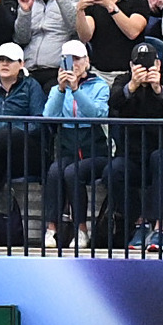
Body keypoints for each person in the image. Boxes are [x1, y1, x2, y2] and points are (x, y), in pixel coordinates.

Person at [106, 42, 163, 251]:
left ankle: (160, 229)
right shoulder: (123, 80)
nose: (145, 69)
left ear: (158, 63)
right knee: (113, 171)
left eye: (149, 64)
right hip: (133, 155)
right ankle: (139, 222)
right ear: (131, 66)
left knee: (159, 159)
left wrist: (158, 88)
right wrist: (132, 86)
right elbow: (113, 102)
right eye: (139, 65)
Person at [0, 42, 47, 243]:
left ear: (21, 64)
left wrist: (8, 133)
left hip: (25, 152)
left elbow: (38, 122)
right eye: (1, 60)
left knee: (2, 137)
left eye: (9, 60)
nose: (4, 64)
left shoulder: (32, 86)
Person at [41, 40, 112, 248]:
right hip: (68, 146)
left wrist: (76, 90)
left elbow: (96, 114)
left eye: (78, 59)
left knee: (73, 172)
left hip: (96, 150)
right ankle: (51, 228)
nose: (74, 64)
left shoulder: (99, 86)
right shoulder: (57, 89)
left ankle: (81, 229)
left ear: (87, 61)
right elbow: (48, 116)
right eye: (68, 60)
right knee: (55, 171)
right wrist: (62, 90)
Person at [77, 0, 152, 79]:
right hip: (99, 73)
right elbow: (85, 37)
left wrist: (109, 5)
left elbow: (133, 32)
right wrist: (80, 11)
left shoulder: (138, 0)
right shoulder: (93, 1)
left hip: (130, 74)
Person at [16, 0, 85, 87]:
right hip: (29, 69)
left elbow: (77, 30)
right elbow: (21, 38)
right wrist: (25, 12)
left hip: (59, 69)